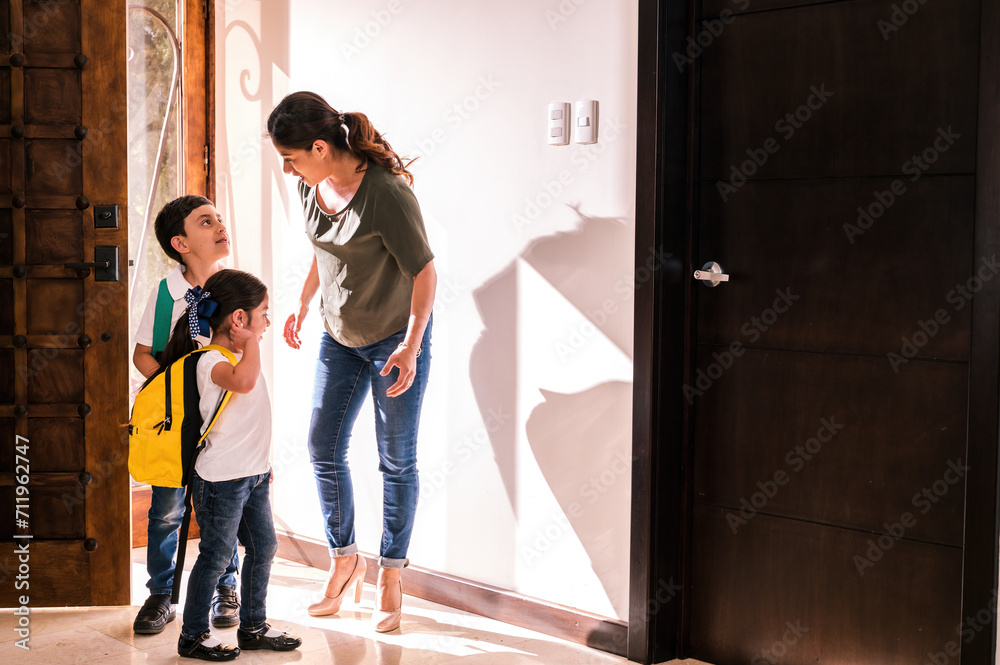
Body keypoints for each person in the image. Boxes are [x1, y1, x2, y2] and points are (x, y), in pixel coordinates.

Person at [266, 91, 436, 633]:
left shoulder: (385, 194)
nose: (287, 168)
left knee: (396, 458)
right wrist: (299, 302)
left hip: (392, 340)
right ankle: (345, 560)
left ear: (320, 146)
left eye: (291, 156)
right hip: (339, 336)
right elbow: (326, 251)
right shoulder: (310, 186)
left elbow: (425, 272)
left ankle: (391, 572)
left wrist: (410, 346)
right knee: (323, 444)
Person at [151, 269, 301, 660]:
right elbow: (244, 383)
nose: (267, 322)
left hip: (252, 475)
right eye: (263, 314)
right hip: (221, 480)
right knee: (217, 556)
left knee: (264, 546)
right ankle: (193, 636)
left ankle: (253, 626)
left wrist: (263, 466)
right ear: (239, 319)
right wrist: (251, 344)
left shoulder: (235, 355)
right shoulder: (210, 360)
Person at [132, 195, 241, 634]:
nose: (219, 225)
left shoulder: (233, 286)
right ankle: (161, 594)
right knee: (166, 510)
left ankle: (224, 586)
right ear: (180, 243)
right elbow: (143, 354)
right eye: (205, 221)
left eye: (218, 218)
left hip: (223, 421)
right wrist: (178, 390)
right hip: (176, 423)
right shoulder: (166, 294)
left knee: (222, 509)